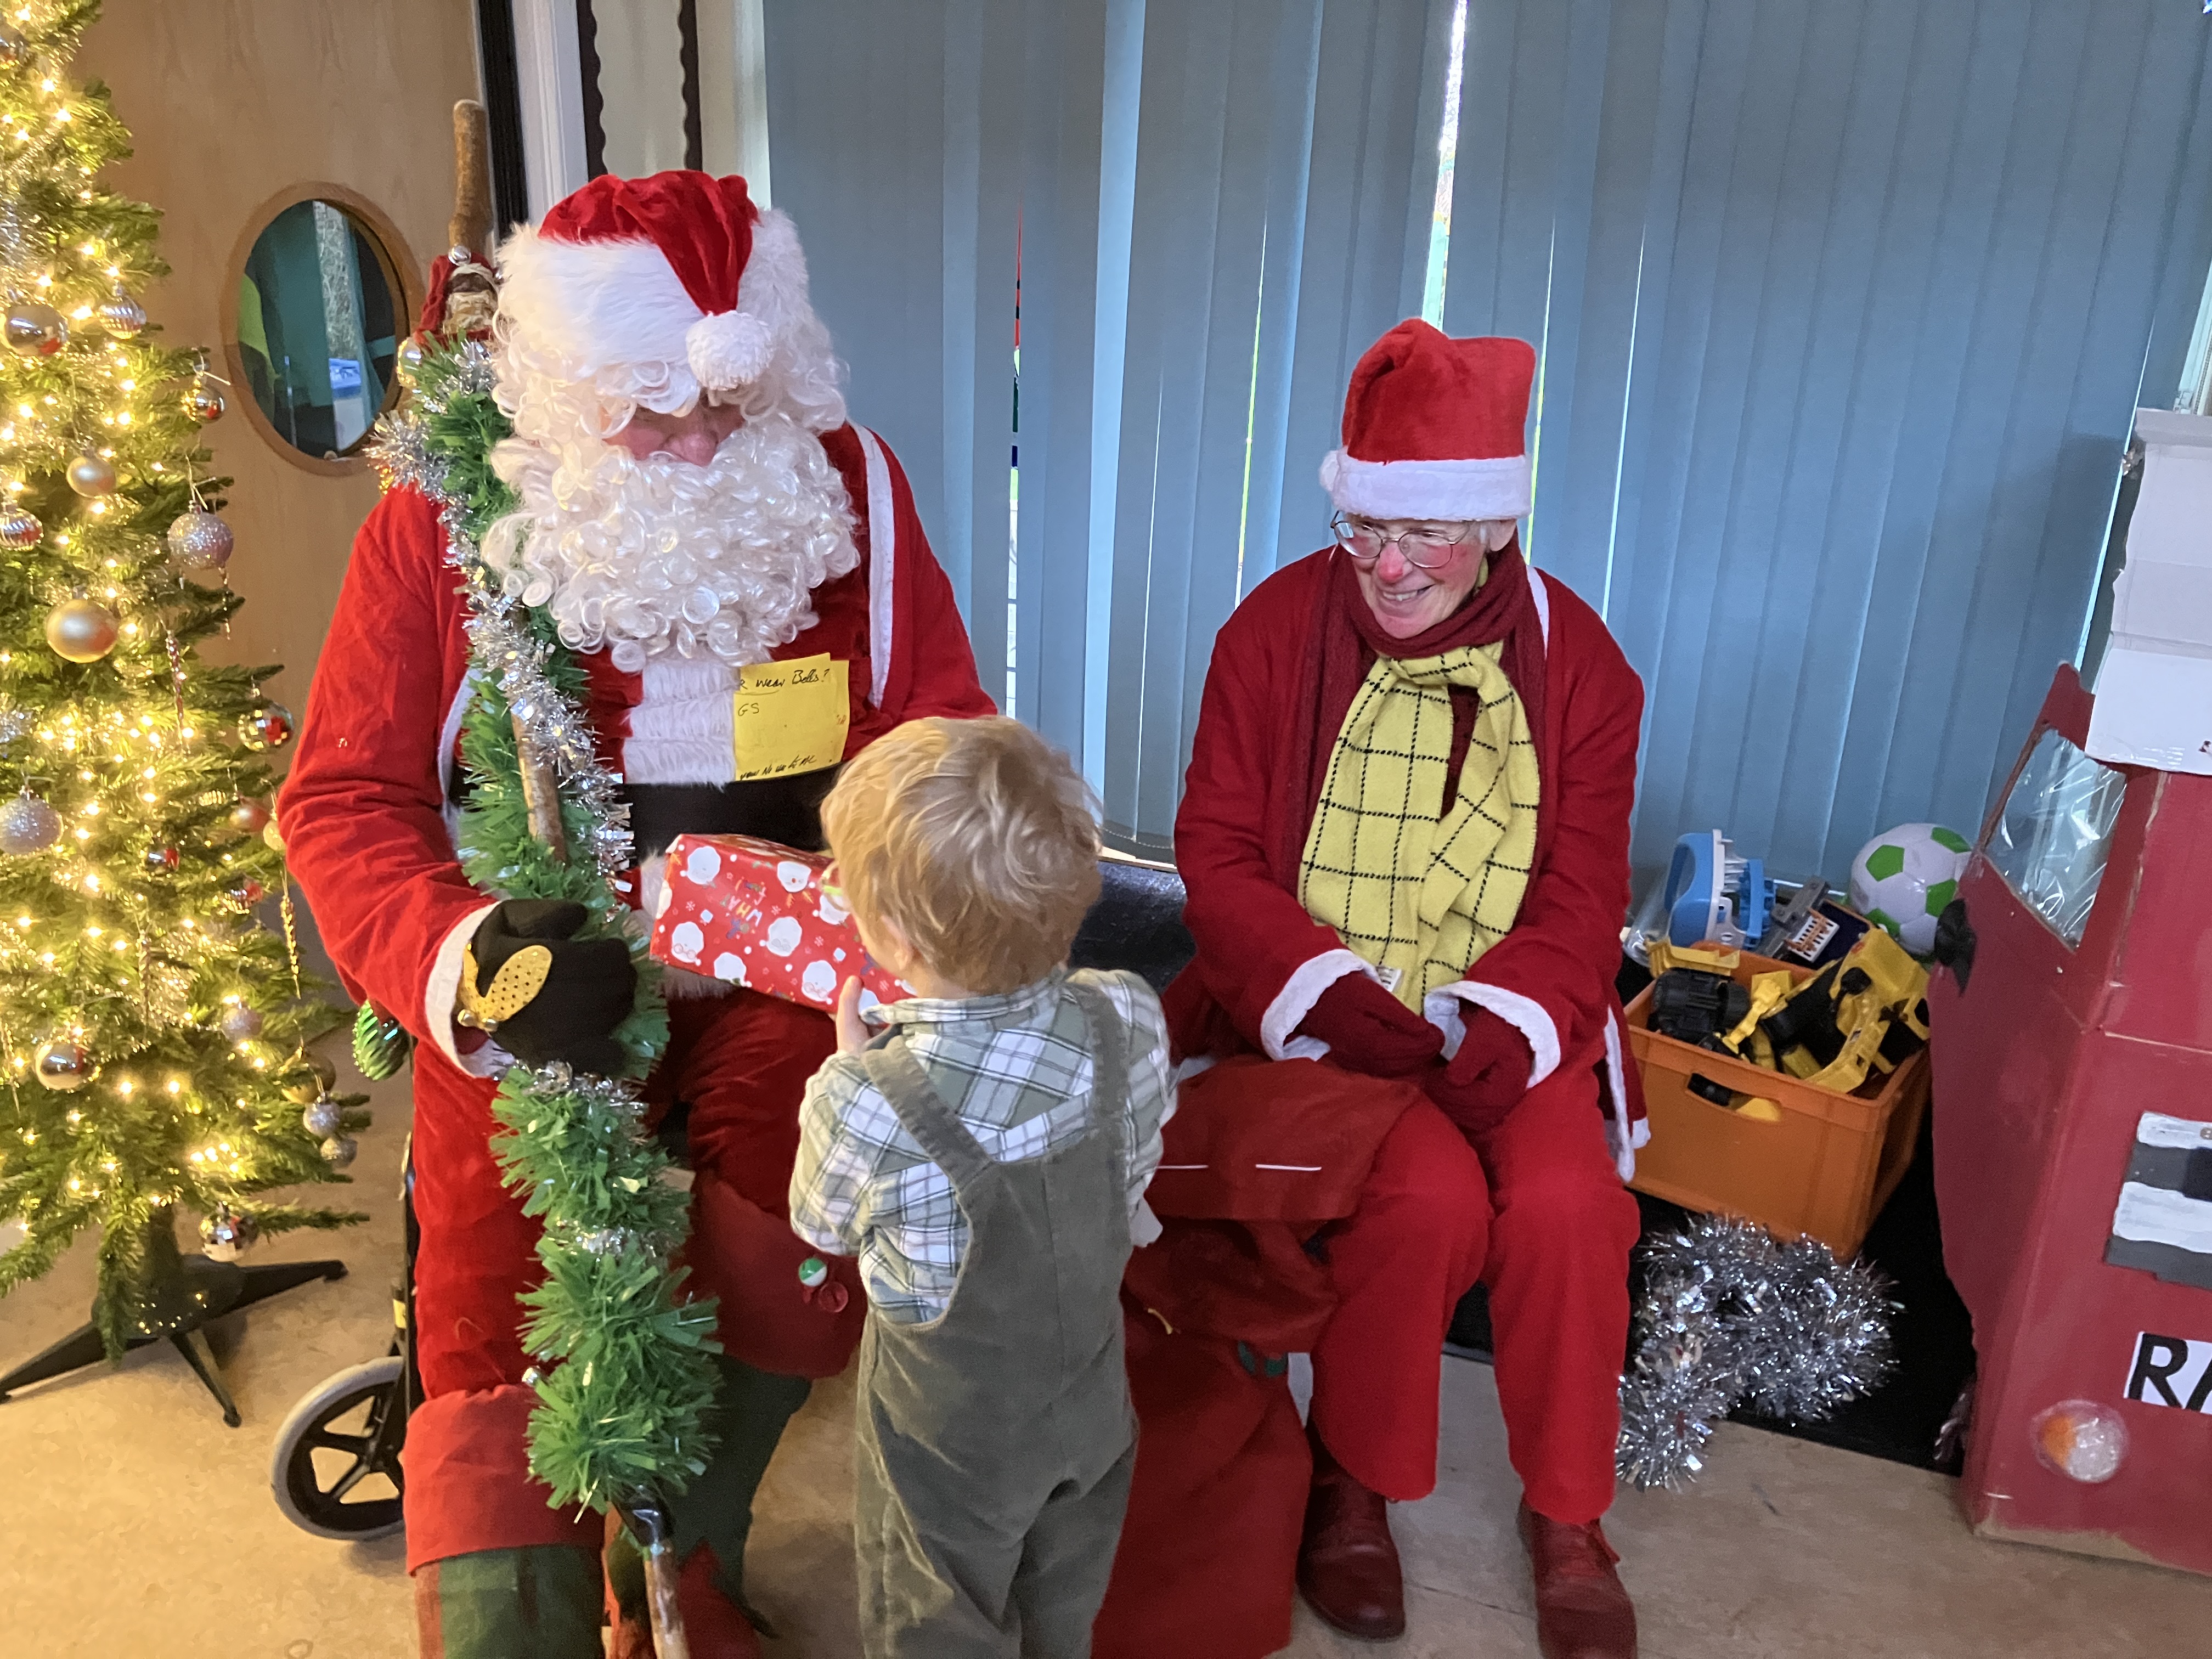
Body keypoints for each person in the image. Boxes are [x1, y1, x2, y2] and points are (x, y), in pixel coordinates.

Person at [279, 171, 995, 1659]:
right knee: (488, 1285)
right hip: (532, 965)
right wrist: (464, 960)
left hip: (785, 967)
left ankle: (683, 1563)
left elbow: (936, 741)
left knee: (816, 1206)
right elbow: (343, 798)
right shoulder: (441, 521)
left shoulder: (848, 490)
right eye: (652, 415)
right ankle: (511, 1625)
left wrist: (917, 927)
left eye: (730, 405)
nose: (700, 444)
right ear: (564, 391)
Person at [1166, 319, 1648, 1659]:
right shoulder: (1272, 632)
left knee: (1568, 1209)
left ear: (1491, 524)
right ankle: (1354, 1481)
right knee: (1423, 1202)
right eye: (1364, 528)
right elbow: (1214, 852)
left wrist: (1509, 1017)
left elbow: (1585, 891)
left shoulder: (1583, 665)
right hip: (1330, 1024)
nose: (1386, 567)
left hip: (1509, 1019)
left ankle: (1568, 1516)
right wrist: (1321, 990)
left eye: (1422, 533)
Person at [789, 715, 1173, 1659]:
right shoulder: (1127, 1012)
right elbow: (1135, 1160)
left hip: (947, 1451)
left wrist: (851, 1071)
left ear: (894, 937)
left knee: (935, 1623)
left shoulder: (865, 1098)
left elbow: (820, 1224)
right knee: (1063, 1603)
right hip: (1091, 1404)